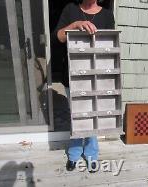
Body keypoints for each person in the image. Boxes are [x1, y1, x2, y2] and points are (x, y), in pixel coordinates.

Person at [55, 0, 115, 172]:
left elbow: (110, 44)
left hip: (98, 76)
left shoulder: (107, 15)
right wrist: (75, 25)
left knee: (93, 118)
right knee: (77, 117)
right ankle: (74, 154)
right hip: (73, 75)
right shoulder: (70, 9)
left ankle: (91, 155)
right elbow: (58, 37)